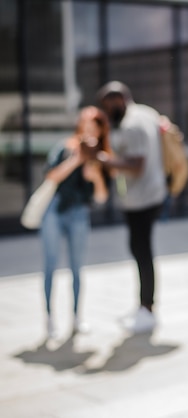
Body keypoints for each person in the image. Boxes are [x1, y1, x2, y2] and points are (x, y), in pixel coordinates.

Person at [95, 81, 167, 333]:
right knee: (140, 250)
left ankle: (147, 308)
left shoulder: (132, 124)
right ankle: (145, 305)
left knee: (141, 251)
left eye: (108, 106)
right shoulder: (147, 112)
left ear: (119, 101)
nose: (106, 111)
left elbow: (136, 165)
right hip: (151, 193)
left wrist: (104, 160)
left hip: (142, 198)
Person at [41, 106, 111, 339]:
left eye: (95, 127)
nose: (90, 131)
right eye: (86, 125)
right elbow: (51, 176)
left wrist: (96, 175)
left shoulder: (101, 156)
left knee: (77, 268)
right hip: (55, 210)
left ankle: (76, 317)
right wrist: (76, 160)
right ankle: (50, 317)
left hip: (79, 213)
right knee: (50, 265)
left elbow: (101, 197)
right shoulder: (65, 147)